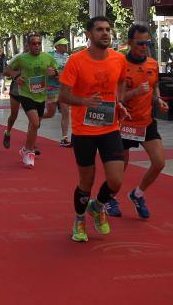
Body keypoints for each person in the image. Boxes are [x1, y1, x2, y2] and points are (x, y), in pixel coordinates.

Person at [58, 16, 129, 242]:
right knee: (86, 182)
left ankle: (97, 207)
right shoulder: (76, 61)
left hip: (109, 128)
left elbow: (121, 82)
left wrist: (119, 102)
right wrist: (84, 101)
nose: (105, 33)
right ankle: (79, 220)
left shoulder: (119, 59)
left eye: (108, 29)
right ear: (89, 34)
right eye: (99, 30)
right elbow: (63, 95)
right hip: (84, 131)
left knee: (116, 181)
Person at [106, 24, 169, 218]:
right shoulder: (120, 64)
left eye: (147, 43)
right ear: (130, 42)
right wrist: (135, 92)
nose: (144, 47)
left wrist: (158, 99)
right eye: (140, 43)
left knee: (159, 162)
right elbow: (116, 98)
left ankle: (137, 194)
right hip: (124, 123)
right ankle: (109, 198)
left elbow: (154, 86)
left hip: (146, 121)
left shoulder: (152, 64)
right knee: (120, 168)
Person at [4, 33, 58, 168]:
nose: (37, 46)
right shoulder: (21, 58)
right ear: (28, 45)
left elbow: (58, 73)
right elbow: (6, 70)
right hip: (26, 94)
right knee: (34, 122)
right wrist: (16, 77)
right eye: (34, 43)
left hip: (41, 95)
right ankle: (28, 151)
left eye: (39, 43)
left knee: (35, 125)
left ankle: (25, 149)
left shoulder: (48, 58)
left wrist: (54, 73)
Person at [46, 38, 72, 147]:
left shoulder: (68, 56)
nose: (66, 46)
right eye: (63, 45)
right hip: (52, 88)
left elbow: (70, 72)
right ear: (57, 46)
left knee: (66, 112)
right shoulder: (49, 56)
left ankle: (64, 138)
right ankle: (36, 119)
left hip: (64, 88)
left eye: (66, 44)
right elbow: (49, 72)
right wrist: (59, 73)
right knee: (50, 113)